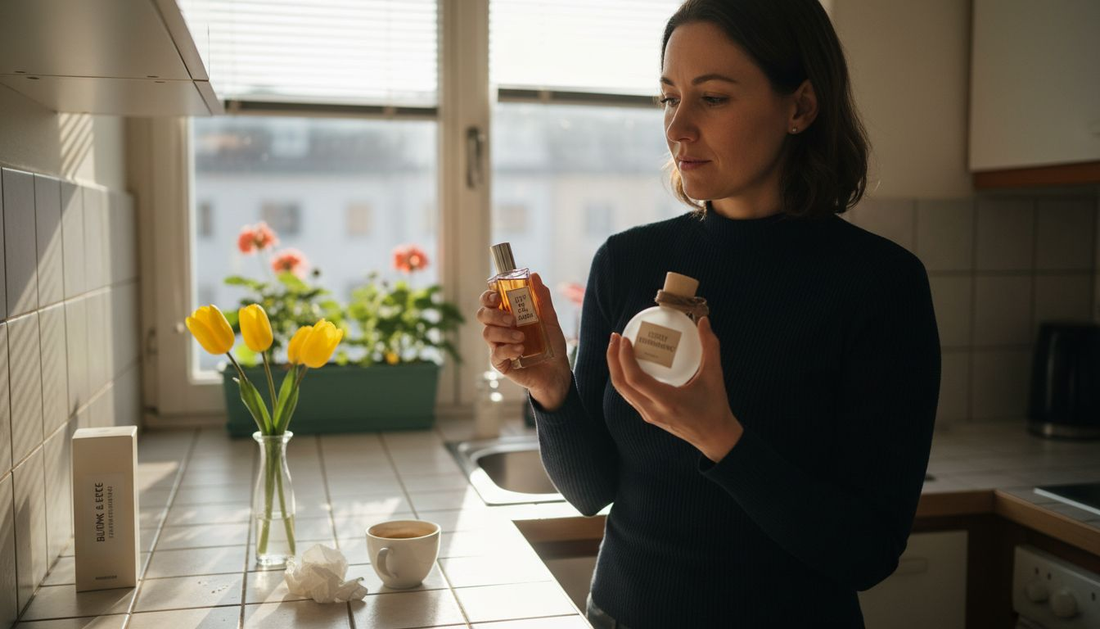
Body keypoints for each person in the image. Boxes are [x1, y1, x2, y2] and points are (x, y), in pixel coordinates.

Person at [476, 0, 941, 626]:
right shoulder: (626, 261)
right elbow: (592, 492)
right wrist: (553, 389)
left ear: (800, 107)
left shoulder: (879, 286)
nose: (677, 128)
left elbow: (866, 553)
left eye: (713, 98)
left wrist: (719, 436)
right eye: (670, 98)